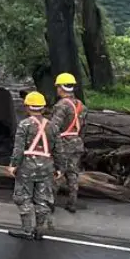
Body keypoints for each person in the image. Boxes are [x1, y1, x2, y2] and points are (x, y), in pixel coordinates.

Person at [7, 91, 62, 240]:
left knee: (23, 197)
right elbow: (58, 149)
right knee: (42, 199)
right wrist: (59, 168)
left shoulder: (24, 125)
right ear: (43, 108)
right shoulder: (53, 126)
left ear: (27, 107)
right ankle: (39, 230)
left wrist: (13, 165)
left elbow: (18, 148)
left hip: (27, 166)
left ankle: (26, 230)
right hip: (47, 167)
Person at [48, 72, 87, 212]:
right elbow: (83, 128)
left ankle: (50, 203)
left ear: (61, 87)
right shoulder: (81, 105)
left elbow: (53, 127)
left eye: (58, 86)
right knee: (73, 174)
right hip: (77, 143)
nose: (57, 89)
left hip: (63, 144)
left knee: (57, 173)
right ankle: (72, 203)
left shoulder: (62, 105)